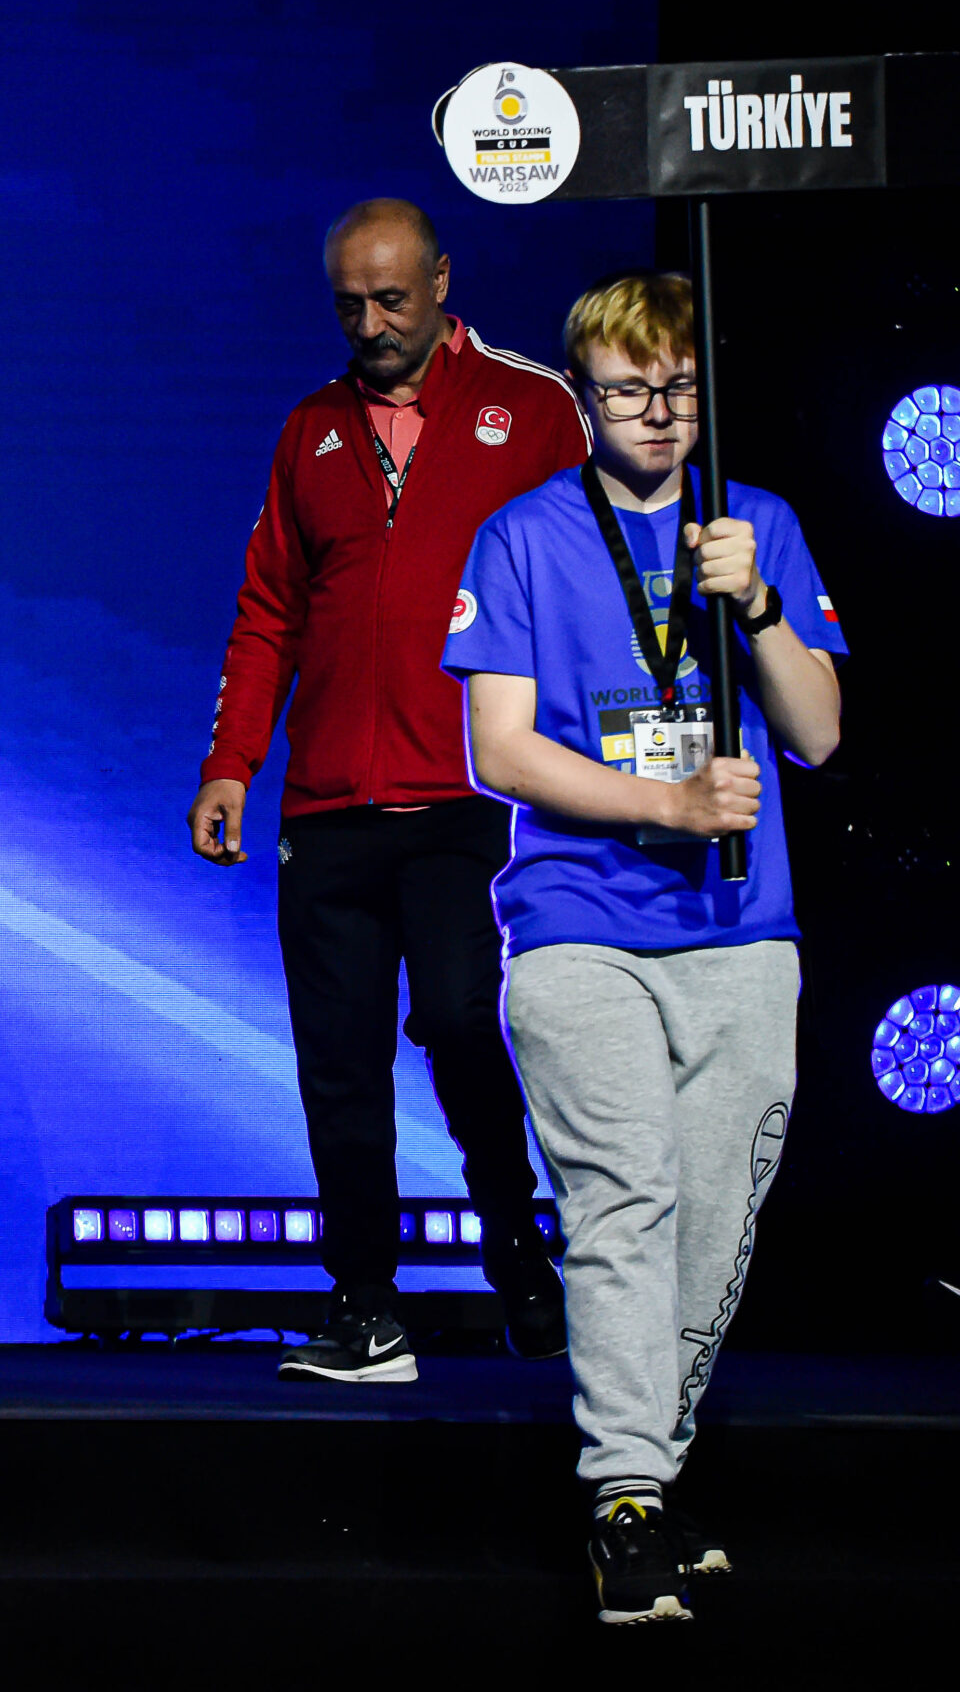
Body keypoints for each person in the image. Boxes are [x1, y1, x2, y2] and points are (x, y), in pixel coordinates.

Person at [444, 270, 845, 1623]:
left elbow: (819, 734)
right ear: (584, 397)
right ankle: (624, 1497)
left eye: (678, 388)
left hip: (742, 929)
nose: (659, 415)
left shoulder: (756, 526)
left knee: (714, 1219)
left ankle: (649, 1482)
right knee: (625, 1199)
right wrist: (666, 803)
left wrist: (761, 609)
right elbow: (500, 752)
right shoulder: (521, 538)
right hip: (579, 923)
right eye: (628, 392)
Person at [189, 199, 588, 1381]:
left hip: (470, 796)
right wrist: (230, 764)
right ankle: (364, 1302)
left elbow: (591, 582)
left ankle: (516, 1243)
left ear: (441, 282)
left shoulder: (532, 409)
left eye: (391, 301)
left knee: (466, 1025)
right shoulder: (310, 429)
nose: (369, 325)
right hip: (328, 807)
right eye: (349, 306)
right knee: (340, 1063)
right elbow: (269, 610)